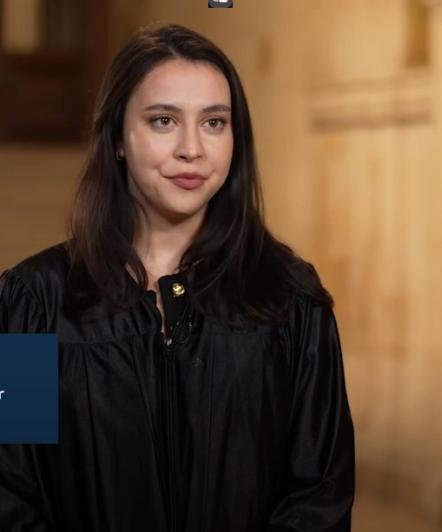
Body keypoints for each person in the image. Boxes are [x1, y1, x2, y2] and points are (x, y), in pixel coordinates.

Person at [0, 24, 355, 532]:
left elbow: (321, 492)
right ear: (119, 138)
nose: (192, 148)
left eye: (214, 123)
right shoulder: (31, 305)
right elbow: (10, 487)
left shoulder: (290, 301)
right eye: (163, 120)